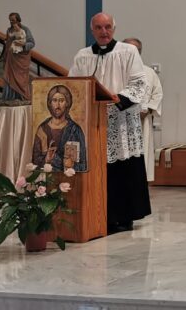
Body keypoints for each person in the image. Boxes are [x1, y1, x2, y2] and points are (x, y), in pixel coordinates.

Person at [68, 12, 151, 234]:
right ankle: (100, 214)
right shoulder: (83, 56)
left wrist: (118, 98)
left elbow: (139, 82)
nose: (104, 32)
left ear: (114, 29)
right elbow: (73, 84)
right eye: (98, 28)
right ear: (91, 30)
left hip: (121, 121)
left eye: (108, 27)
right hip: (94, 123)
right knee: (98, 168)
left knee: (122, 169)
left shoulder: (128, 52)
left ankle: (124, 216)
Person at [123, 38, 163, 182]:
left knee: (142, 152)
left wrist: (148, 110)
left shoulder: (149, 72)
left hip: (142, 120)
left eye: (136, 50)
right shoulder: (116, 71)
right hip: (121, 120)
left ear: (140, 52)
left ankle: (140, 182)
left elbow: (157, 94)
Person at [31, 84, 87, 172]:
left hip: (71, 180)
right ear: (50, 103)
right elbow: (34, 163)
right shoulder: (42, 129)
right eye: (54, 100)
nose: (57, 105)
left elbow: (83, 165)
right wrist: (47, 159)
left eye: (61, 100)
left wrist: (72, 165)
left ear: (67, 103)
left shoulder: (74, 130)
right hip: (47, 181)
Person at [0, 12, 34, 101]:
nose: (11, 22)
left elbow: (32, 43)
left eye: (13, 20)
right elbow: (7, 42)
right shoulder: (9, 30)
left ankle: (21, 96)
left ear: (18, 20)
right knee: (9, 77)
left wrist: (22, 45)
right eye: (10, 20)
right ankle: (9, 97)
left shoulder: (25, 29)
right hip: (10, 58)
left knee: (21, 79)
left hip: (20, 58)